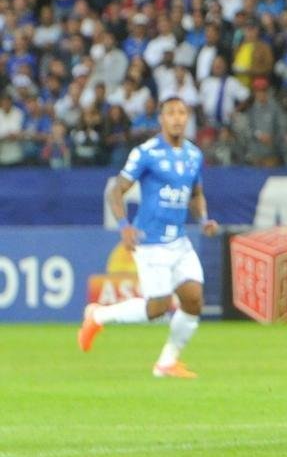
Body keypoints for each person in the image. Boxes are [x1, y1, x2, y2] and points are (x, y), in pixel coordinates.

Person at [77, 98, 219, 378]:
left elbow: (195, 193)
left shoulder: (193, 155)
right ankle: (97, 315)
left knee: (193, 300)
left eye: (182, 113)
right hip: (151, 241)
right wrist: (123, 226)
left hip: (179, 241)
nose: (177, 118)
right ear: (161, 119)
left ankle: (167, 362)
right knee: (158, 308)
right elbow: (115, 191)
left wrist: (203, 219)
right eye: (171, 113)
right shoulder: (146, 152)